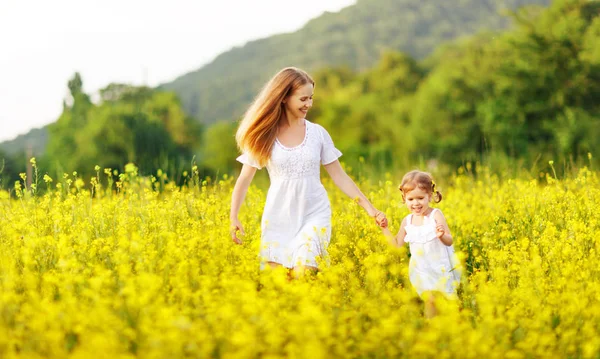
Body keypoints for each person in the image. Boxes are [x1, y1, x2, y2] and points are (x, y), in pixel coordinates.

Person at [229, 67, 387, 276]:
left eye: (311, 98)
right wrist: (234, 216)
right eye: (303, 99)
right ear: (284, 97)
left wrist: (370, 209)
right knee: (279, 284)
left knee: (304, 273)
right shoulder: (264, 136)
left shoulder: (318, 134)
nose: (309, 104)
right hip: (279, 215)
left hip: (315, 213)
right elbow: (244, 179)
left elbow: (339, 176)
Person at [382, 170, 461, 317]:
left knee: (448, 303)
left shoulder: (435, 215)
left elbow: (450, 241)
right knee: (430, 301)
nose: (416, 203)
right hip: (422, 271)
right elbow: (397, 245)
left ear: (429, 196)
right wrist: (384, 228)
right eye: (411, 199)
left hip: (441, 268)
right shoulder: (407, 221)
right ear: (404, 198)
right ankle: (430, 329)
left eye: (420, 198)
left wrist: (442, 236)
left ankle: (454, 328)